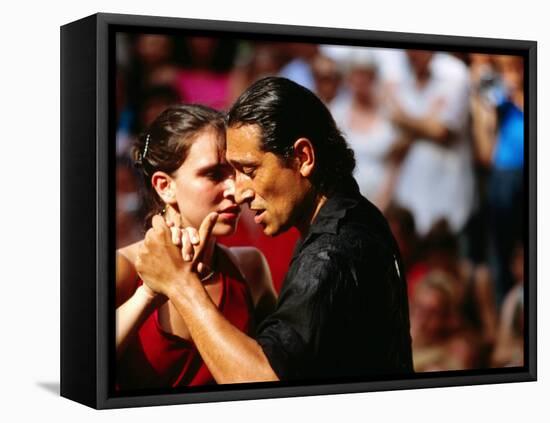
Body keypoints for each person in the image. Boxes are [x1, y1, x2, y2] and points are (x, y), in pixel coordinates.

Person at [134, 76, 414, 383]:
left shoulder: (329, 254)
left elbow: (264, 383)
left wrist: (181, 286)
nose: (239, 192)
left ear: (303, 157)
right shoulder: (360, 216)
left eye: (249, 171)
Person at [115, 104, 275, 389]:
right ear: (165, 186)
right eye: (214, 174)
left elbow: (279, 375)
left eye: (236, 172)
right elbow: (78, 367)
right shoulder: (123, 270)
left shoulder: (250, 268)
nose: (235, 190)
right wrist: (149, 293)